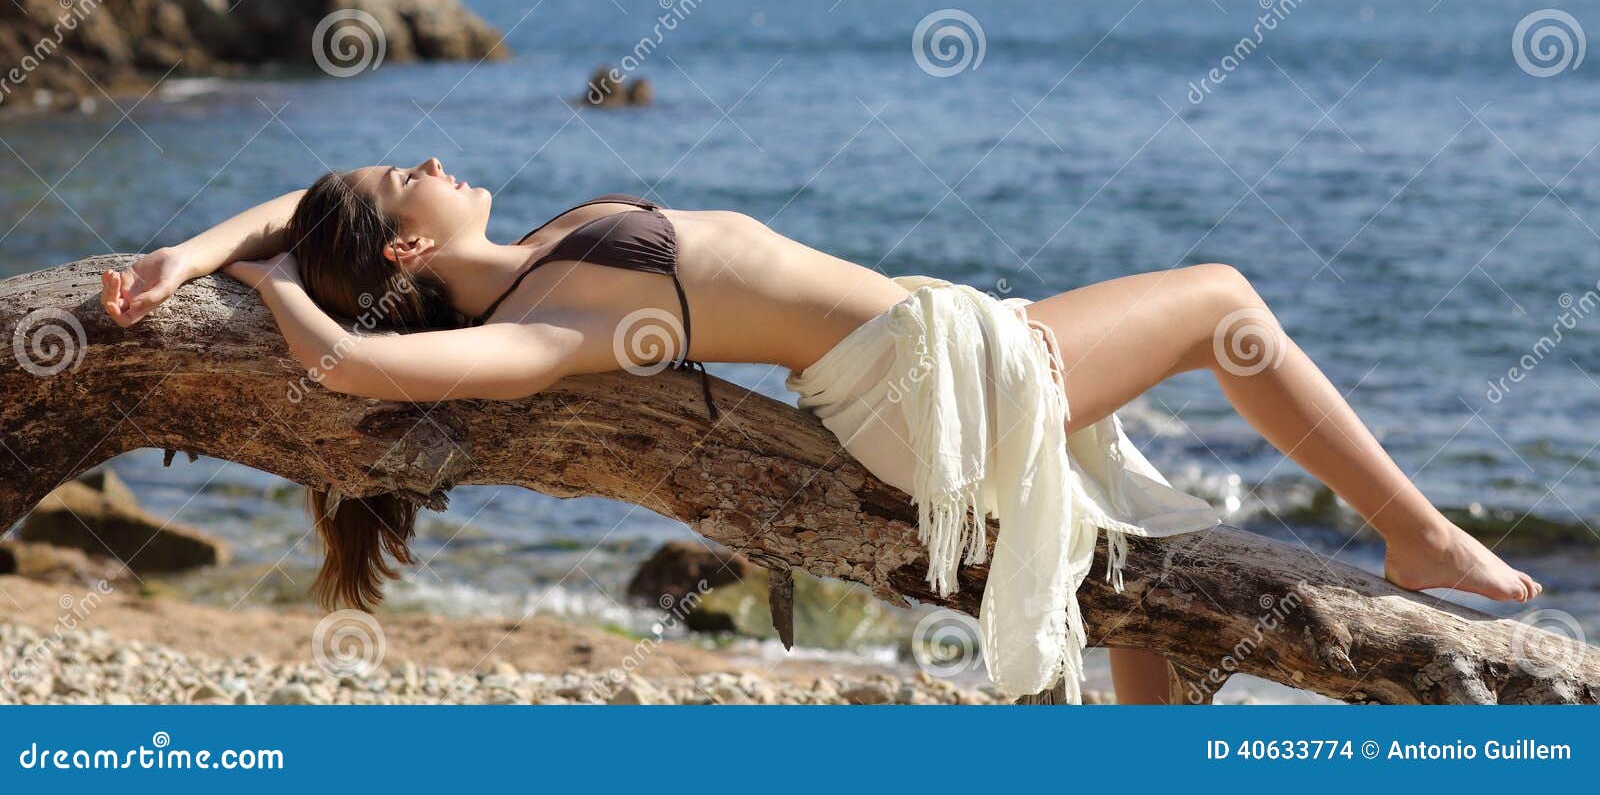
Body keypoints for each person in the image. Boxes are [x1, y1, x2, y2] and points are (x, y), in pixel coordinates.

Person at [101, 157, 1540, 703]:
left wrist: (192, 252)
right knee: (1225, 299)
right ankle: (1414, 531)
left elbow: (305, 211)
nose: (428, 158)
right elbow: (356, 365)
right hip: (926, 378)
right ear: (406, 249)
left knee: (1112, 562)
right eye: (399, 175)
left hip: (930, 347)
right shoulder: (543, 316)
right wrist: (274, 286)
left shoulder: (540, 253)